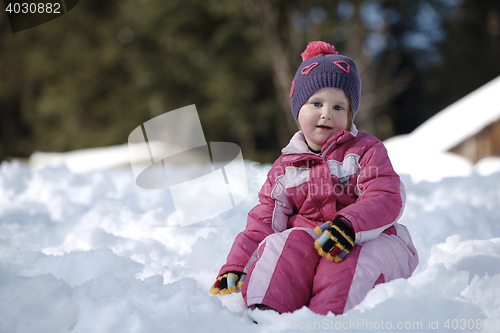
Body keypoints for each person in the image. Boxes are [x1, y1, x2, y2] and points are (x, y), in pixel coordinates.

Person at [209, 41, 419, 316]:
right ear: (298, 110)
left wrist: (350, 224)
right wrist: (236, 266)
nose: (326, 113)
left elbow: (385, 194)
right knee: (284, 244)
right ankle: (268, 314)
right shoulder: (285, 169)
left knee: (348, 261)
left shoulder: (365, 151)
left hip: (369, 239)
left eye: (338, 107)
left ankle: (326, 320)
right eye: (316, 103)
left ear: (349, 114)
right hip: (313, 245)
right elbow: (262, 223)